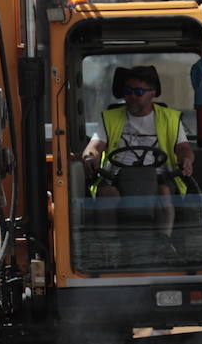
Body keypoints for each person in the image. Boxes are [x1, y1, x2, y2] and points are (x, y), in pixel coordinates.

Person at [81, 65, 194, 236]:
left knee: (163, 192)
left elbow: (184, 149)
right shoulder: (109, 117)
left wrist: (186, 160)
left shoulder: (170, 118)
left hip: (159, 178)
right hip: (116, 178)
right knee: (106, 194)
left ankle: (165, 243)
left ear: (153, 93)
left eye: (138, 92)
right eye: (128, 91)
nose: (132, 96)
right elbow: (94, 147)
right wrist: (90, 157)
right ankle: (107, 248)